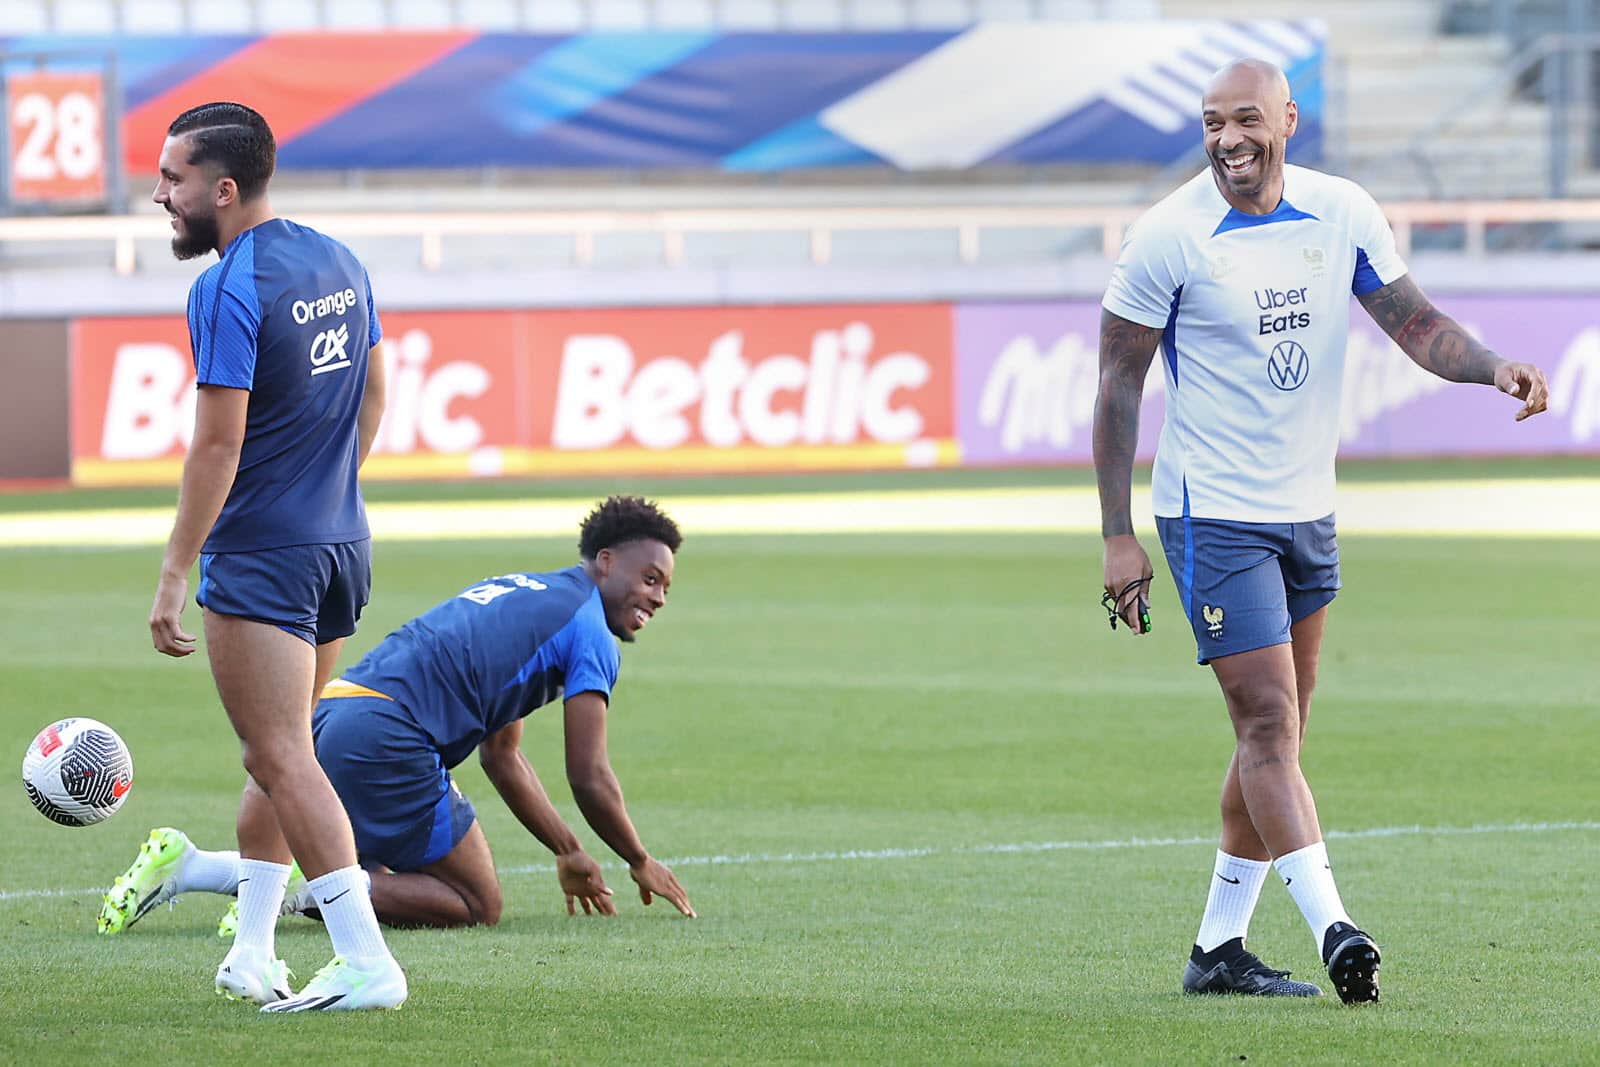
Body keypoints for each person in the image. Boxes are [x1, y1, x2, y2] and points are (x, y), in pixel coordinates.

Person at [1093, 59, 1548, 1005]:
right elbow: (1117, 385)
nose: (1228, 140)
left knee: (1280, 732)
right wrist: (1117, 534)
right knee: (1265, 720)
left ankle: (1218, 948)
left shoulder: (1341, 212)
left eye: (1247, 120)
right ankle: (1337, 925)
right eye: (1212, 122)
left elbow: (1415, 323)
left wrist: (1493, 367)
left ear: (1288, 121)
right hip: (1209, 510)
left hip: (1307, 506)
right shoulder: (1167, 236)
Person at [102, 101, 404, 1013]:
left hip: (266, 554)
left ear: (222, 189)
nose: (160, 195)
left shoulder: (226, 287)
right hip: (340, 544)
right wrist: (328, 489)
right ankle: (253, 949)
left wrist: (173, 567)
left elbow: (216, 446)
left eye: (172, 179)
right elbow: (376, 390)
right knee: (280, 754)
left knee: (279, 752)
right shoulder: (338, 259)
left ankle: (365, 962)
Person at [100, 496, 695, 942]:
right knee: (474, 902)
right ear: (607, 561)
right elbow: (589, 773)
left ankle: (192, 867)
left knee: (379, 872)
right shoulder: (589, 629)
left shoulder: (531, 592)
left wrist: (567, 850)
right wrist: (639, 860)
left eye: (665, 587)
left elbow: (502, 755)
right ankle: (295, 898)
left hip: (336, 713)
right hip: (388, 740)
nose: (658, 597)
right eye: (650, 579)